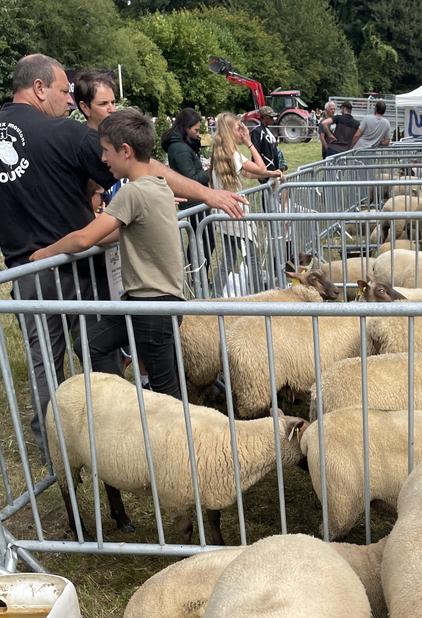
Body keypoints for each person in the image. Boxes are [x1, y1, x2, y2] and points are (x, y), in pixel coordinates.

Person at [0, 53, 246, 453]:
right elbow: (147, 168)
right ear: (39, 88)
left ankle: (57, 451)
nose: (68, 102)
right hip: (75, 269)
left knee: (46, 359)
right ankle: (114, 438)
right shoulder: (62, 133)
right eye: (64, 91)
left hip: (24, 272)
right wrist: (208, 194)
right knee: (100, 351)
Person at [30, 109, 189, 398]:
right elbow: (113, 234)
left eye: (106, 151)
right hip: (147, 304)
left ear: (125, 151)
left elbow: (85, 237)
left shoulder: (133, 192)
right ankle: (121, 403)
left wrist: (46, 253)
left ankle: (175, 439)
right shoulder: (158, 186)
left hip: (153, 307)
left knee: (168, 395)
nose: (102, 159)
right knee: (91, 341)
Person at [210, 111, 282, 293]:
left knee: (230, 256)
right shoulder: (232, 154)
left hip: (224, 212)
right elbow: (260, 167)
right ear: (229, 131)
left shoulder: (221, 152)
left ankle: (214, 294)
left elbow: (249, 173)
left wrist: (272, 174)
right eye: (238, 128)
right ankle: (260, 295)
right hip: (235, 212)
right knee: (250, 256)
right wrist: (249, 142)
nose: (241, 131)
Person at [161, 108, 212, 279]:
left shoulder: (183, 146)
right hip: (193, 201)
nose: (198, 134)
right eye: (196, 130)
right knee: (202, 240)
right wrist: (209, 171)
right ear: (186, 128)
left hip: (196, 200)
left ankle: (201, 276)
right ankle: (199, 277)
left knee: (202, 239)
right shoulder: (179, 149)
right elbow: (191, 178)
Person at [250, 105, 287, 173]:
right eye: (271, 117)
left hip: (275, 169)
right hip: (266, 170)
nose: (273, 119)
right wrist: (257, 170)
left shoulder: (269, 131)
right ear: (264, 117)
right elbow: (255, 151)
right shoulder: (257, 131)